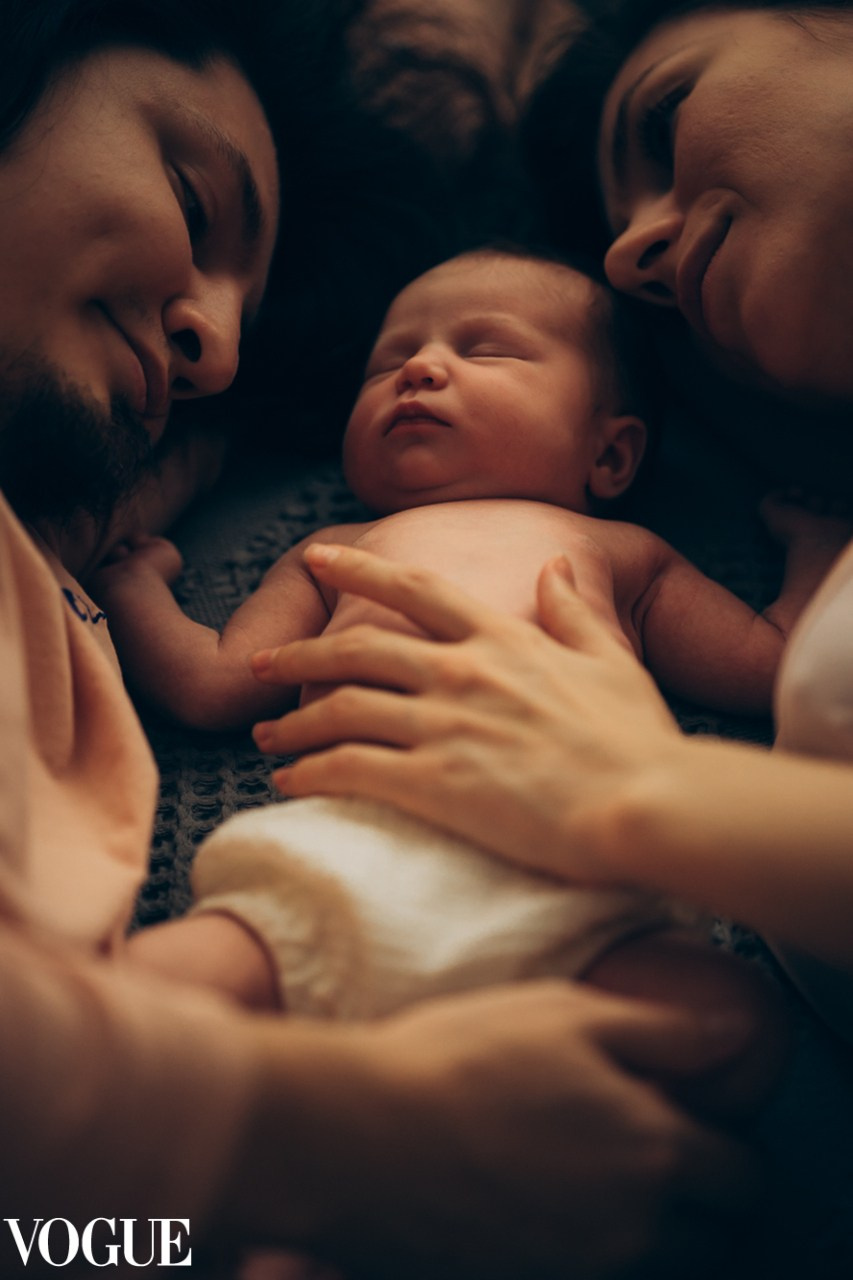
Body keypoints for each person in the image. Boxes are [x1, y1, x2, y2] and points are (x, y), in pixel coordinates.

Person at [0, 3, 765, 1277]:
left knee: (730, 1039)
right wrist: (311, 1135)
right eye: (198, 210)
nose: (217, 344)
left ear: (616, 451)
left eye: (245, 313)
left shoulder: (52, 534)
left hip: (557, 916)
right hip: (309, 913)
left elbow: (46, 1238)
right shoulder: (318, 549)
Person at [94, 246, 842, 1118]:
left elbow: (771, 666)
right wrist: (133, 588)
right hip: (350, 861)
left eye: (486, 350)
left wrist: (816, 552)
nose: (418, 366)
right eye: (386, 362)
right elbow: (216, 682)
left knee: (732, 1023)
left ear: (610, 457)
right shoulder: (338, 549)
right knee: (137, 998)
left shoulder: (621, 553)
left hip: (572, 891)